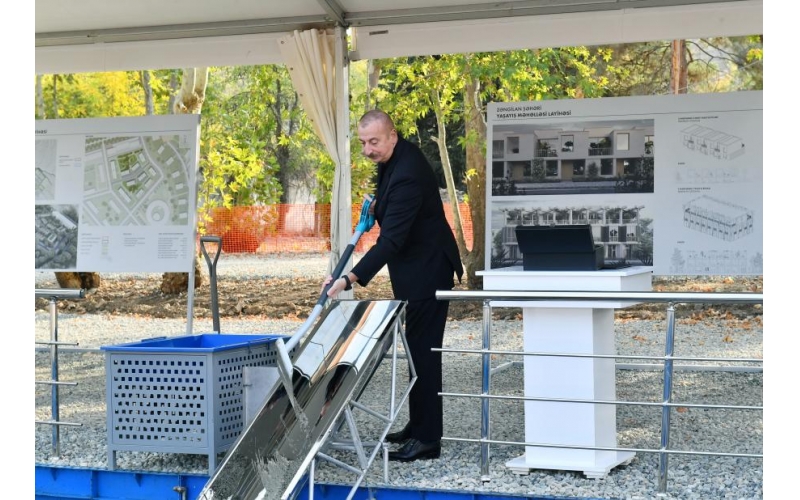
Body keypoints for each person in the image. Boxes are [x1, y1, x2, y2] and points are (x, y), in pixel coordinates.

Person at [324, 109, 463, 462]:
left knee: (424, 352)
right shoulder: (394, 159)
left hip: (428, 269)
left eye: (374, 142)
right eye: (363, 143)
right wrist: (376, 208)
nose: (368, 150)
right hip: (414, 267)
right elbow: (392, 213)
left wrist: (347, 278)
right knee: (416, 348)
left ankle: (428, 439)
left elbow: (391, 242)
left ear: (392, 135)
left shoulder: (408, 174)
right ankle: (418, 426)